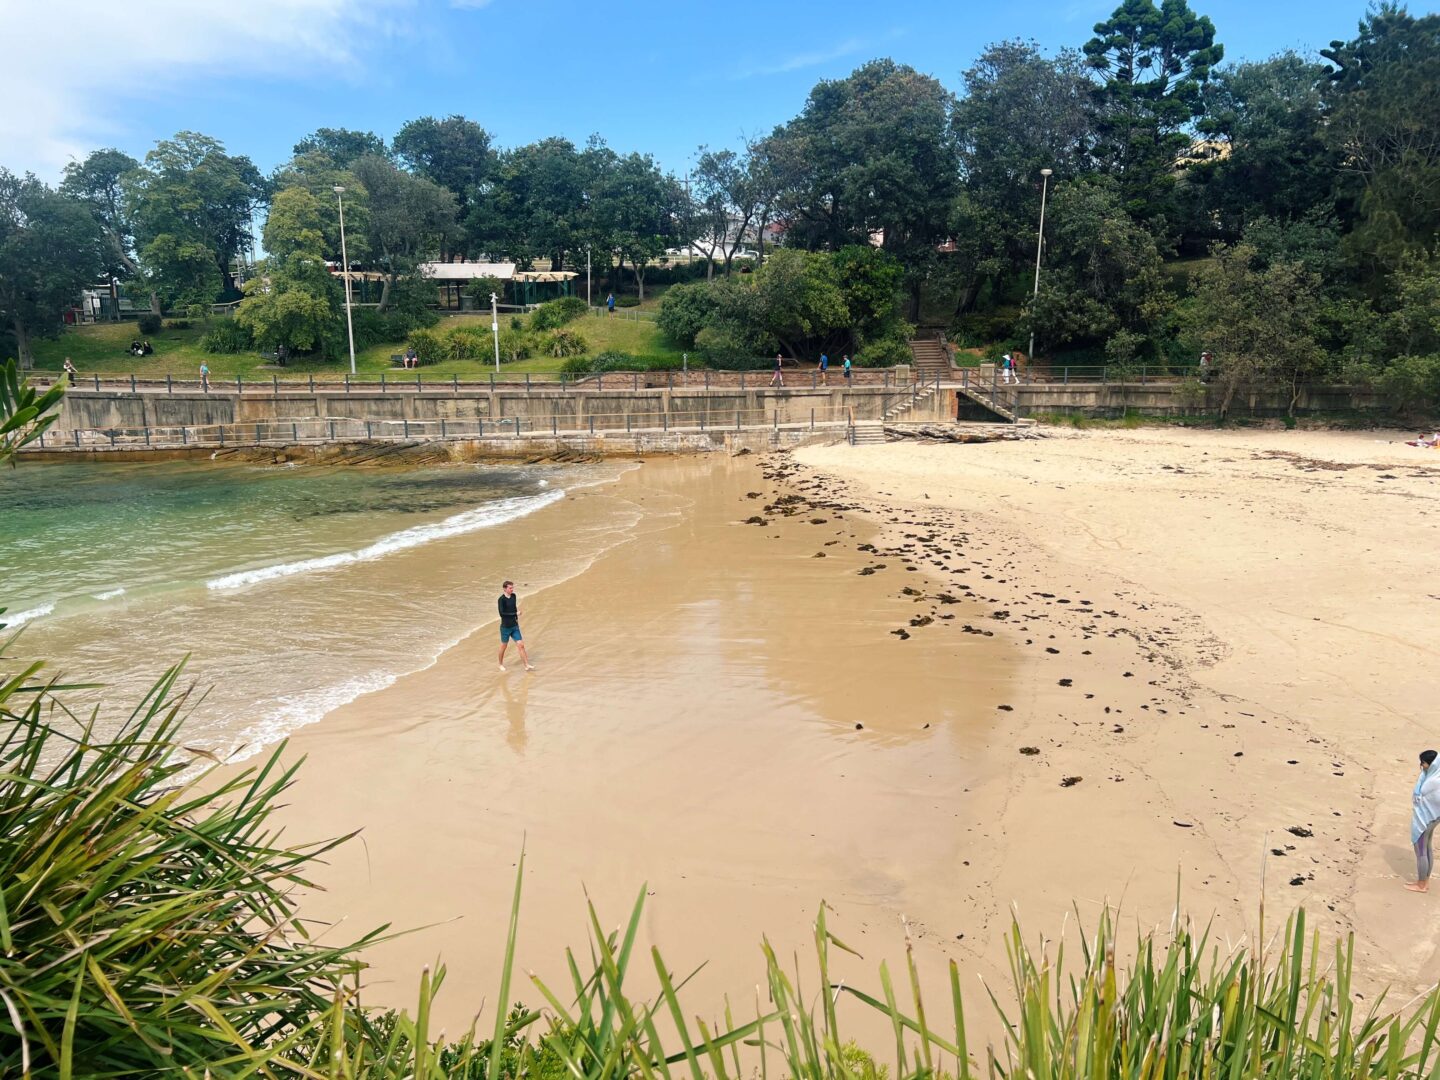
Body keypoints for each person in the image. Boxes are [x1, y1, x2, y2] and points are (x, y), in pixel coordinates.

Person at [1407, 750, 1440, 892]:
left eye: (1424, 763)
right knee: (1426, 848)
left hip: (1426, 819)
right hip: (1433, 819)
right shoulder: (1435, 775)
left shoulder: (1433, 781)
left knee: (1421, 851)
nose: (1422, 766)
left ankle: (1421, 884)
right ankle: (1425, 881)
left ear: (1432, 764)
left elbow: (1431, 799)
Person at [497, 580, 534, 672]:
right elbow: (502, 614)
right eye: (510, 588)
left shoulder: (514, 596)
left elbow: (513, 607)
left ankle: (526, 665)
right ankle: (500, 664)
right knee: (503, 646)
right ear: (505, 589)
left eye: (512, 587)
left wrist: (516, 617)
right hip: (505, 627)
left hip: (514, 626)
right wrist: (515, 613)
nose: (512, 589)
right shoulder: (501, 600)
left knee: (521, 645)